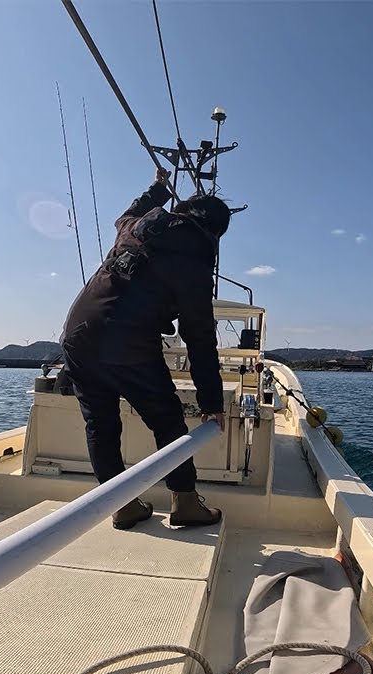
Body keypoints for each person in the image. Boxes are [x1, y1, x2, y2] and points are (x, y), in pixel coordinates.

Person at [60, 167, 230, 530]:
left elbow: (127, 212)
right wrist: (212, 403)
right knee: (167, 419)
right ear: (213, 232)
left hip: (77, 334)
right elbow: (199, 337)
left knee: (100, 424)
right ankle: (185, 502)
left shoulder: (135, 227)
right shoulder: (195, 259)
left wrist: (157, 189)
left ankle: (121, 506)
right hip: (129, 343)